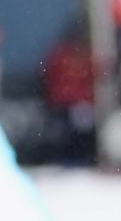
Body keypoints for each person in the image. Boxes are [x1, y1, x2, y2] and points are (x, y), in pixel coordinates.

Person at [40, 24, 99, 166]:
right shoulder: (60, 55)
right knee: (64, 133)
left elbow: (95, 75)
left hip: (82, 103)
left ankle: (82, 158)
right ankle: (65, 159)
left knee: (82, 132)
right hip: (63, 103)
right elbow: (50, 77)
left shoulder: (85, 56)